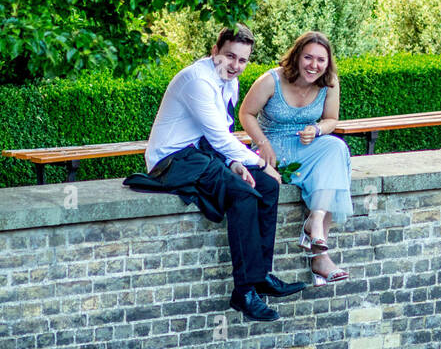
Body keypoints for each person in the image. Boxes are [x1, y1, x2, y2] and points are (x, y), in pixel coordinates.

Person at [123, 24, 305, 322]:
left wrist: (236, 164)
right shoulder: (198, 81)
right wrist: (261, 164)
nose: (235, 66)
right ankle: (244, 292)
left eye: (243, 60)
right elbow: (220, 139)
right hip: (172, 161)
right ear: (214, 52)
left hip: (201, 154)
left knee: (268, 188)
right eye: (229, 57)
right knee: (244, 194)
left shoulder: (227, 80)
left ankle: (260, 277)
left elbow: (218, 136)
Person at [240, 31, 354, 286]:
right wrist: (262, 143)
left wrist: (317, 130)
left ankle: (315, 220)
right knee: (334, 165)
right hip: (273, 147)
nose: (314, 65)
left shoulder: (330, 82)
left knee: (336, 149)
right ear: (296, 57)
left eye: (321, 60)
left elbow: (331, 120)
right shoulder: (271, 80)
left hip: (308, 143)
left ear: (328, 63)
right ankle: (320, 257)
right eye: (308, 58)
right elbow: (246, 113)